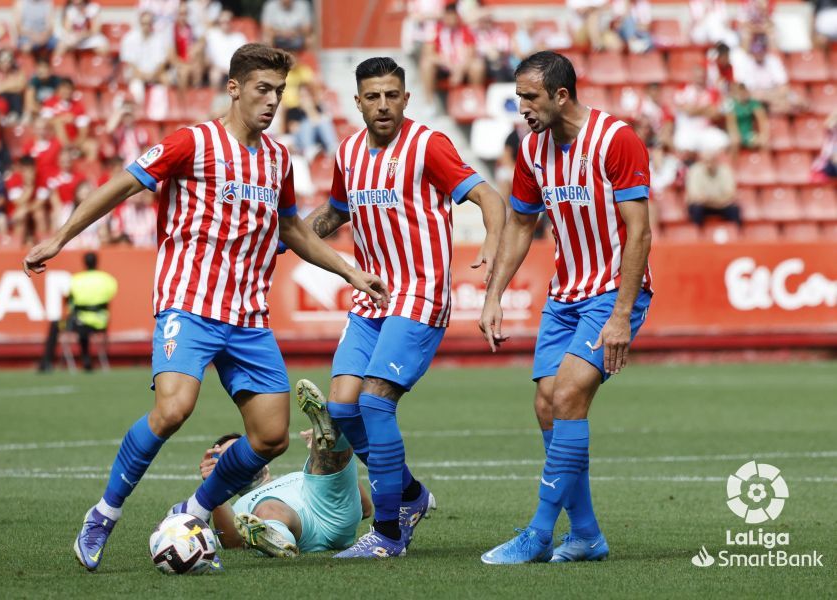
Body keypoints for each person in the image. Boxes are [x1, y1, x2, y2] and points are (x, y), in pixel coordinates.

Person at [22, 43, 387, 573]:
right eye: (262, 89)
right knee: (173, 409)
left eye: (279, 92)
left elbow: (292, 229)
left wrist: (350, 270)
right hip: (188, 305)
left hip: (247, 317)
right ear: (234, 88)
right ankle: (104, 513)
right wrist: (60, 238)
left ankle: (189, 512)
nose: (271, 101)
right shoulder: (192, 142)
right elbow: (123, 185)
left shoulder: (278, 158)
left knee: (270, 437)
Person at [300, 56, 505, 558]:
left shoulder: (428, 145)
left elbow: (489, 198)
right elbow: (334, 213)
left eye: (393, 95)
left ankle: (389, 532)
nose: (384, 105)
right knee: (343, 408)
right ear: (358, 102)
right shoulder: (348, 153)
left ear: (407, 98)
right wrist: (285, 235)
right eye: (373, 96)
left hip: (420, 293)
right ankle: (409, 494)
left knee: (374, 402)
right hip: (371, 298)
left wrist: (492, 244)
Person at [478, 51, 653, 564]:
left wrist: (621, 313)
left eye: (530, 97)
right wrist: (494, 295)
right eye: (518, 98)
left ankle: (538, 532)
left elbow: (639, 230)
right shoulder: (532, 149)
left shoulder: (615, 139)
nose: (522, 108)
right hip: (565, 296)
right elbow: (520, 226)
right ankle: (586, 536)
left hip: (613, 292)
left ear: (560, 95)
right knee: (546, 404)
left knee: (570, 393)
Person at [205, 380, 374, 557]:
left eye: (241, 453)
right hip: (295, 525)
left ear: (264, 462)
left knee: (324, 458)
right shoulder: (237, 510)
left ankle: (330, 434)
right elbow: (233, 545)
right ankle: (278, 540)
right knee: (268, 508)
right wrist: (215, 486)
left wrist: (323, 453)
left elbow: (366, 508)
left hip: (332, 512)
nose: (239, 461)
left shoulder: (300, 476)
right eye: (228, 460)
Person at [38, 251, 118, 372]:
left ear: (84, 263)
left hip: (81, 323)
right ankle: (86, 359)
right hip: (101, 323)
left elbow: (69, 302)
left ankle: (47, 362)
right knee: (81, 324)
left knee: (56, 324)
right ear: (97, 262)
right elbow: (109, 298)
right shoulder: (108, 279)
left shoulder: (76, 280)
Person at [685, 149, 740, 226]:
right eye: (706, 161)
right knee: (696, 208)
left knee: (734, 209)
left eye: (712, 161)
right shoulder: (695, 171)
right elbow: (694, 197)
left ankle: (737, 235)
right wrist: (718, 201)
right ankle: (697, 235)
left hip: (720, 205)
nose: (709, 164)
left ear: (717, 161)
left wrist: (710, 200)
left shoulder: (725, 170)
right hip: (708, 205)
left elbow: (730, 195)